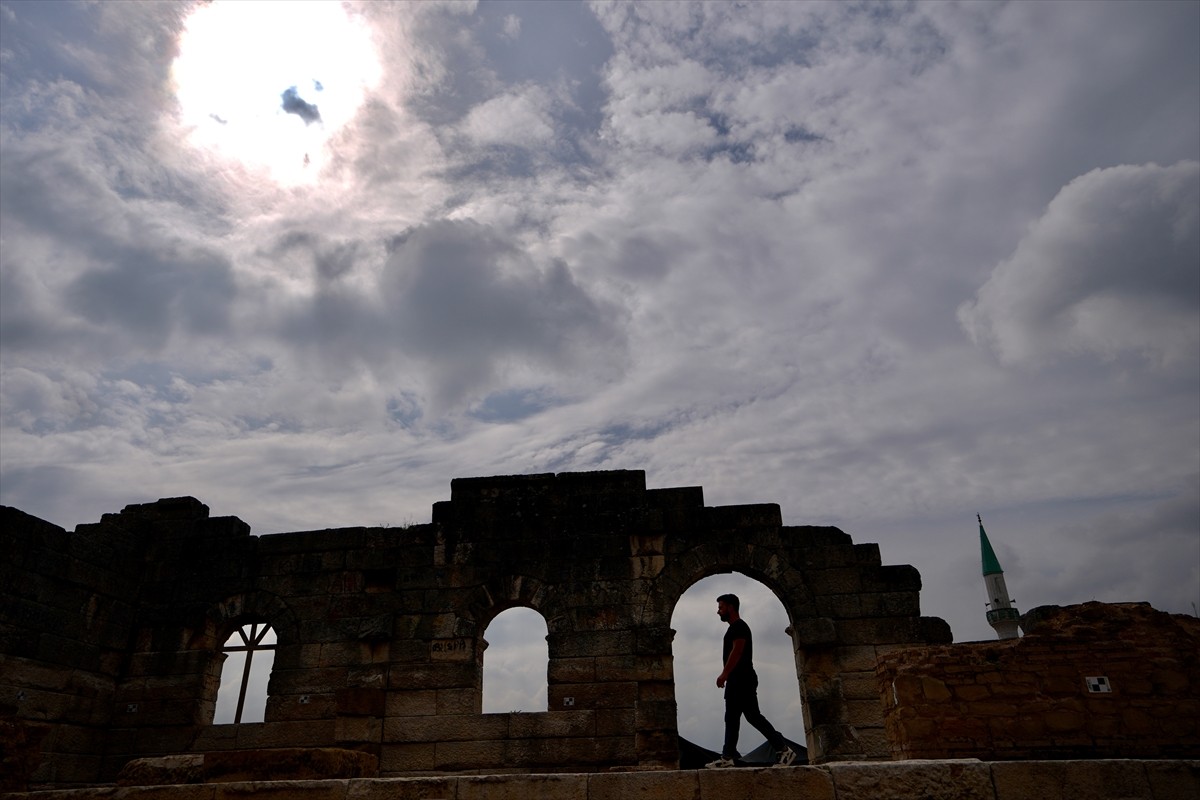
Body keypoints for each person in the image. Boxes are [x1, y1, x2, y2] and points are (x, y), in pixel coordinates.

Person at [706, 593, 799, 768]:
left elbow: (738, 650)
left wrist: (724, 673)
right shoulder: (734, 628)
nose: (718, 611)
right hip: (738, 680)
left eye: (721, 607)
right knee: (735, 718)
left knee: (750, 717)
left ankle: (783, 749)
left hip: (742, 679)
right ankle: (728, 756)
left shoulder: (740, 627)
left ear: (731, 607)